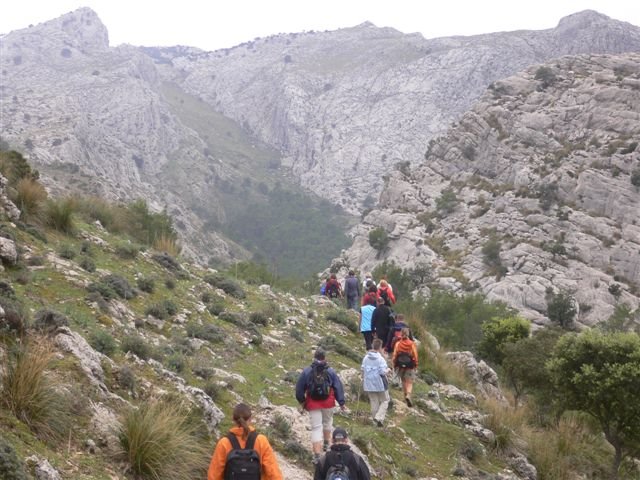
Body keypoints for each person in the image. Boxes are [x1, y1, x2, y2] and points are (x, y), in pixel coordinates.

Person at [296, 349, 346, 464]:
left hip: (312, 403)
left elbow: (299, 389)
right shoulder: (331, 371)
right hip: (328, 402)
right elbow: (338, 386)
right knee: (327, 422)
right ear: (325, 358)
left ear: (314, 357)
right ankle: (326, 444)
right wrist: (341, 403)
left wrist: (302, 402)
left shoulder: (307, 371)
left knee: (316, 428)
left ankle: (317, 456)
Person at [207, 403, 283, 480]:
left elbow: (213, 475)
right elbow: (273, 473)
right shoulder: (261, 440)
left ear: (233, 419)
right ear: (250, 419)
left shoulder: (224, 443)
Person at [361, 338, 390, 427]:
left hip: (369, 383)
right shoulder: (381, 359)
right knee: (385, 400)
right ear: (380, 347)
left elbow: (362, 369)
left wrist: (363, 377)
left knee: (374, 402)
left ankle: (375, 422)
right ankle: (378, 418)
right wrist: (388, 370)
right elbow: (382, 372)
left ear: (373, 346)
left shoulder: (366, 358)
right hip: (380, 383)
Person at [391, 327, 418, 407]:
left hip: (399, 365)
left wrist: (394, 364)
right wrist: (416, 364)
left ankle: (405, 396)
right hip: (409, 365)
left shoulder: (398, 343)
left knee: (403, 381)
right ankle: (408, 395)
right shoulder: (411, 344)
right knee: (409, 381)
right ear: (408, 334)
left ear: (401, 334)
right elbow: (415, 355)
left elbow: (395, 355)